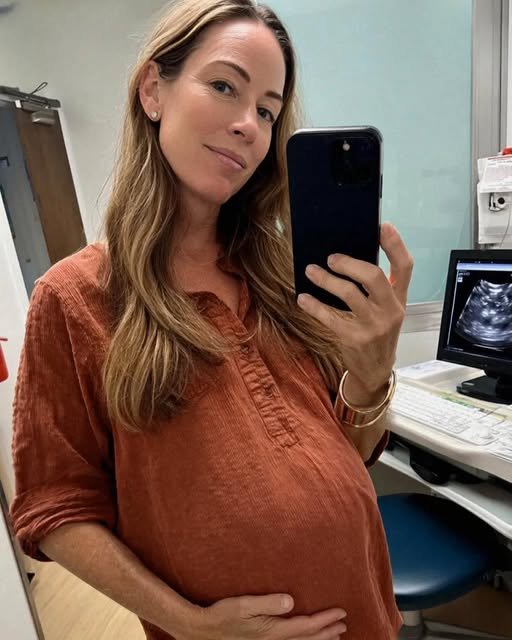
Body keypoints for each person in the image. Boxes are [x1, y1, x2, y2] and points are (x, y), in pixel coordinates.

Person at [9, 1, 413, 638]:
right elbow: (54, 509)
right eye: (225, 86)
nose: (248, 124)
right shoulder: (74, 299)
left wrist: (372, 374)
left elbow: (352, 455)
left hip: (365, 616)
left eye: (268, 111)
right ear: (153, 90)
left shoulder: (286, 277)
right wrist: (192, 625)